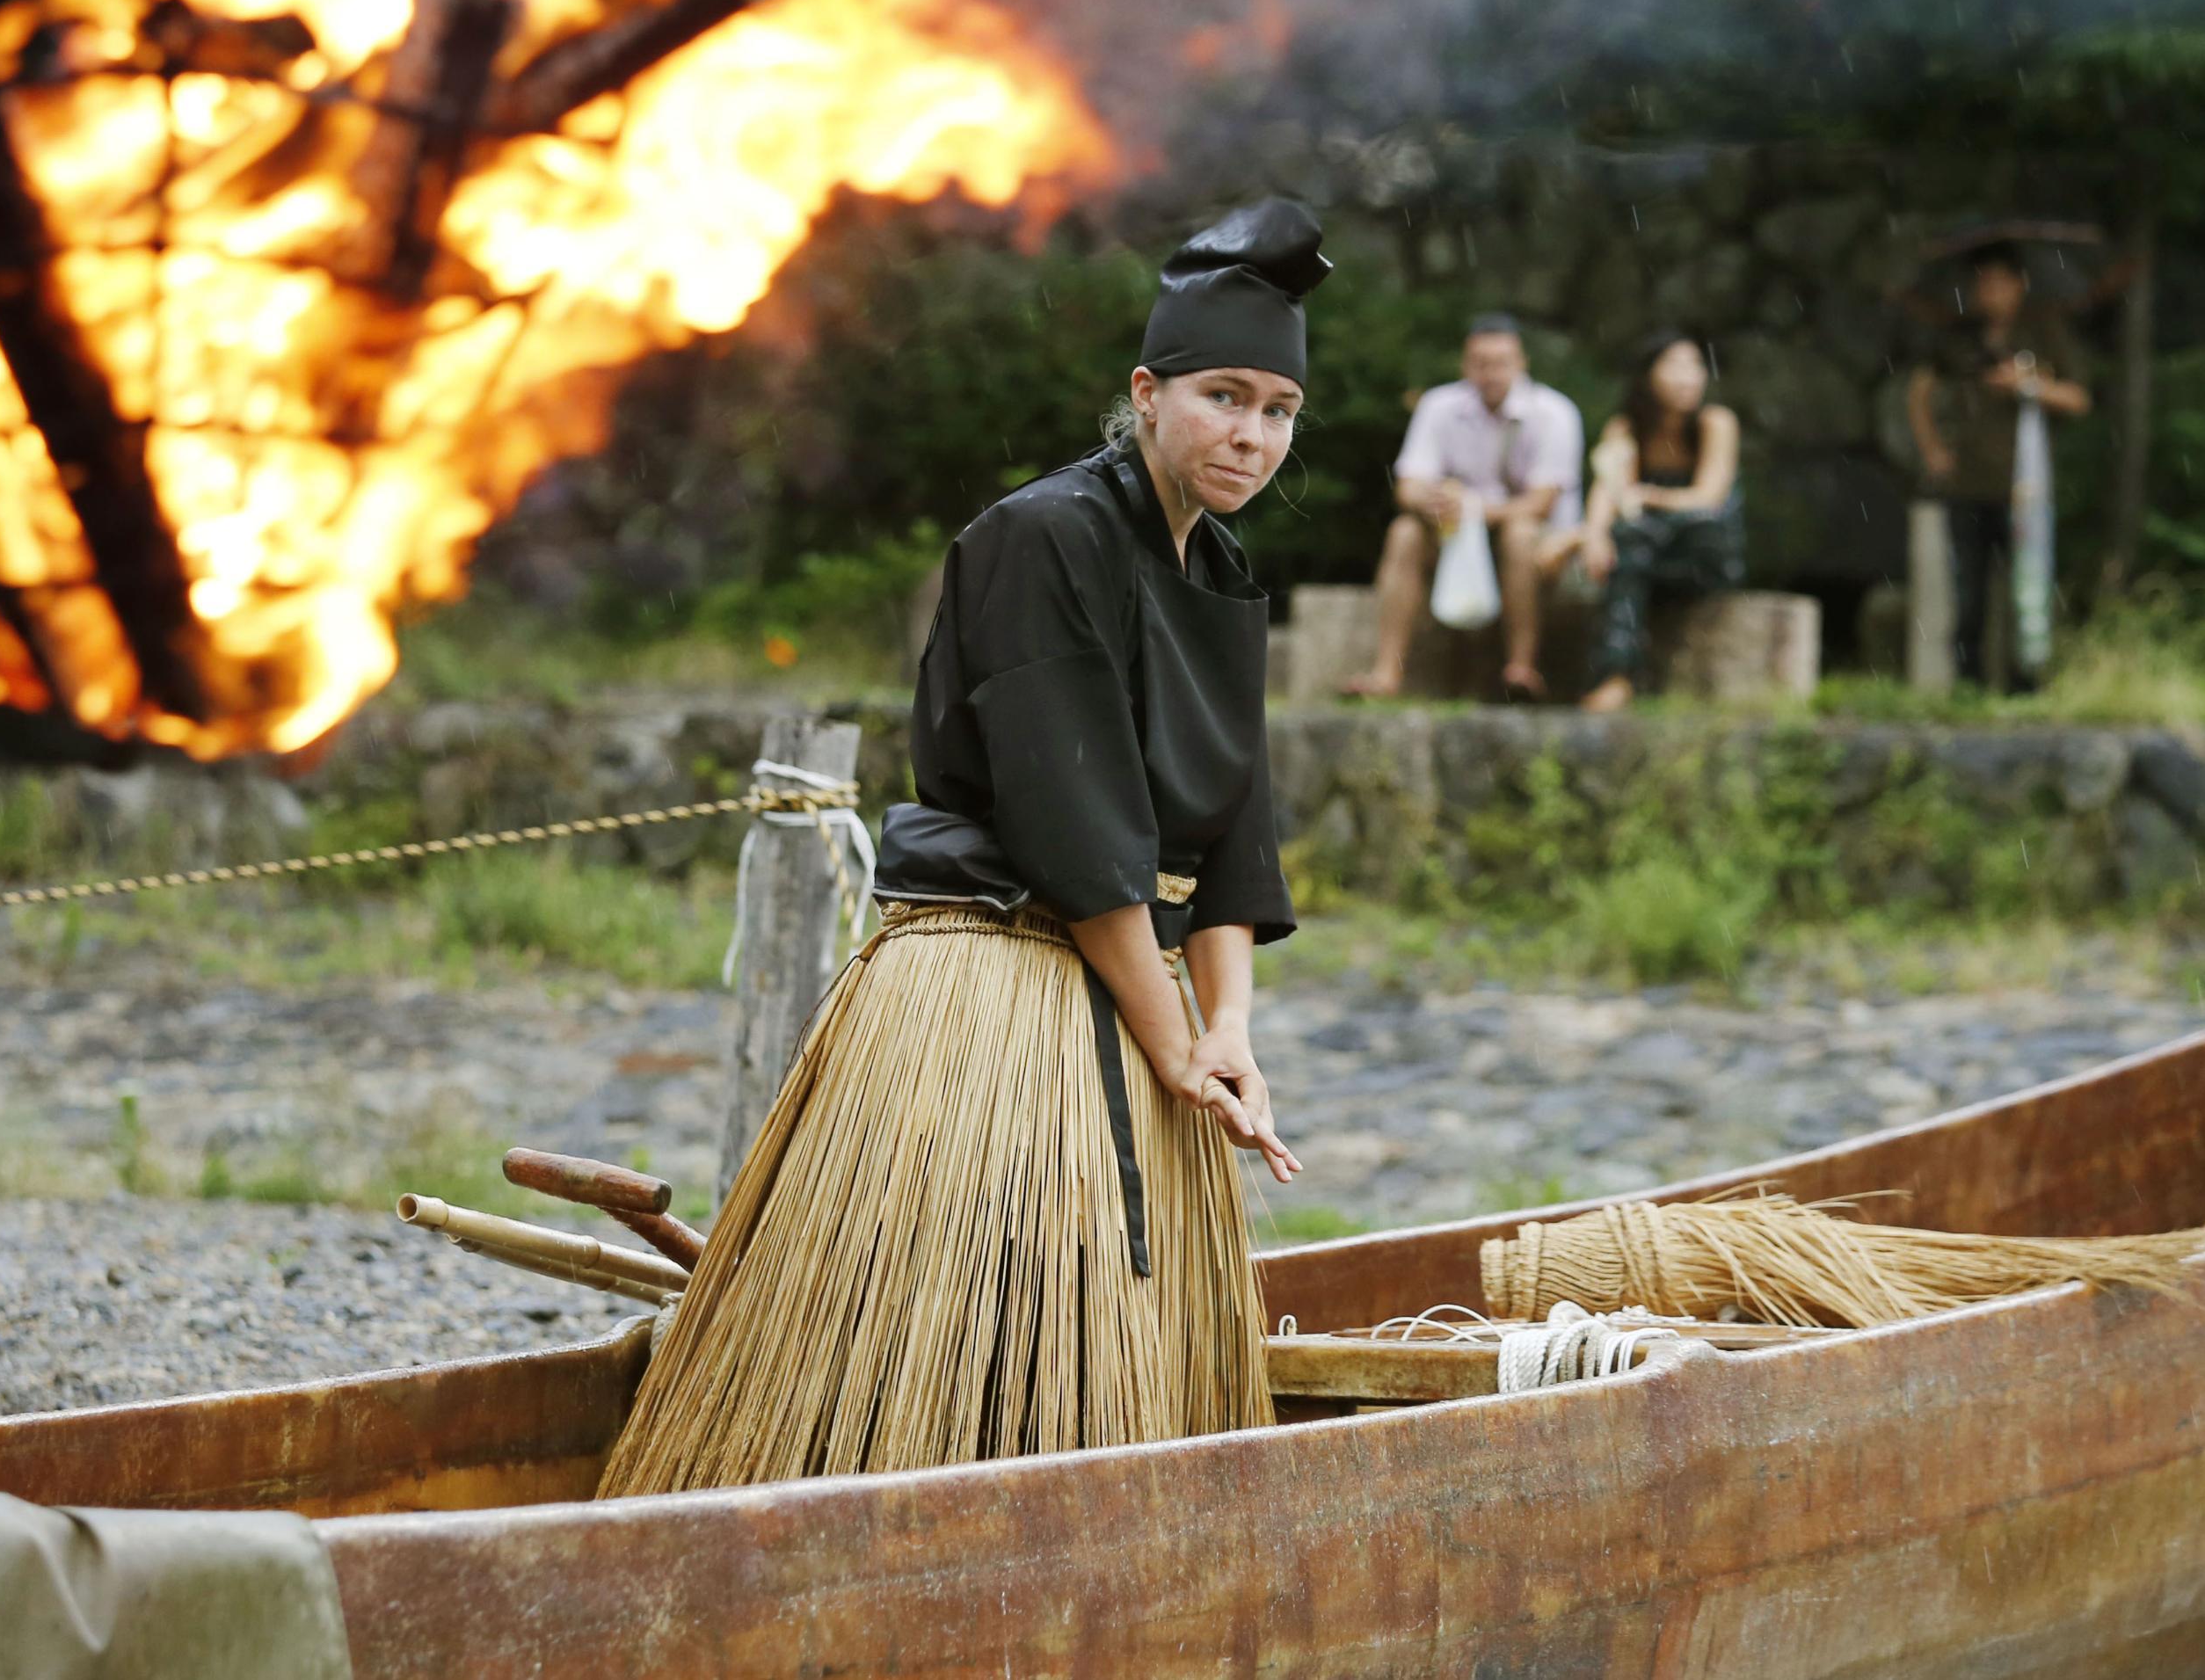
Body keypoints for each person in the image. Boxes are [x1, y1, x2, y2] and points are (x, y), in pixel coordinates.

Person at [600, 199, 1318, 1495]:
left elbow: (1234, 822)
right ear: (1146, 394)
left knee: (1115, 1347)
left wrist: (1229, 1029)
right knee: (941, 1336)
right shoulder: (1040, 538)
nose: (1251, 434)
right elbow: (1077, 822)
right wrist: (1171, 1042)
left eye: (1276, 409)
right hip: (993, 975)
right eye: (1224, 396)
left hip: (1129, 988)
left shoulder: (1218, 567)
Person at [1343, 315, 1585, 700]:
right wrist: (1434, 501)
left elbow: (1541, 504)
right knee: (1404, 532)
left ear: (1521, 363)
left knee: (1520, 534)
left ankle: (1521, 669)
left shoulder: (1556, 413)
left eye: (1501, 362)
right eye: (1481, 362)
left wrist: (1471, 507)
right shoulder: (1439, 405)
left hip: (1538, 543)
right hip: (1455, 536)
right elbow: (1408, 488)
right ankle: (1386, 673)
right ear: (1465, 364)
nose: (1491, 373)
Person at [1907, 241, 2092, 692]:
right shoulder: (1959, 338)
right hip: (1967, 483)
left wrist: (2027, 386)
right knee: (1968, 590)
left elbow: (2078, 399)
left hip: (2025, 487)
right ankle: (1967, 684)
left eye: (1996, 282)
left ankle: (2024, 684)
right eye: (1980, 283)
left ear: (2018, 285)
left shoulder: (2045, 333)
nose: (1987, 292)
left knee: (2024, 587)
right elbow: (1919, 392)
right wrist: (1932, 449)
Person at [1574, 331, 1744, 712]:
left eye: (1695, 365)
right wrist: (1593, 536)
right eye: (1674, 365)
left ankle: (1621, 678)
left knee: (1669, 529)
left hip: (1704, 558)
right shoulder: (1628, 427)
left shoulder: (1716, 423)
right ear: (1648, 375)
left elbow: (1709, 496)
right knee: (1625, 547)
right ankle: (1616, 678)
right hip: (1646, 557)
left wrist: (1648, 497)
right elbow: (1609, 487)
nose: (1688, 376)